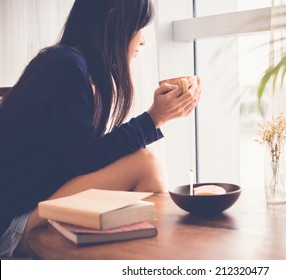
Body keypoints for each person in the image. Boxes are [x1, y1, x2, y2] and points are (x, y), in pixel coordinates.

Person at [0, 0, 200, 257]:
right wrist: (154, 119)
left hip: (30, 210)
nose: (142, 41)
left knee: (142, 163)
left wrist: (156, 118)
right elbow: (87, 160)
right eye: (138, 28)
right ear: (112, 20)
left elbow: (86, 157)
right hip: (13, 224)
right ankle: (156, 259)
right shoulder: (65, 65)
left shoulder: (81, 71)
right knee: (144, 163)